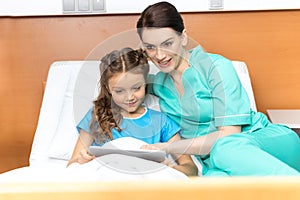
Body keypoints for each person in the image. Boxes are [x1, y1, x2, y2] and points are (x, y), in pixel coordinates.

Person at [136, 1, 300, 176]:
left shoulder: (216, 67)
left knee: (224, 148)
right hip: (214, 161)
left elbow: (228, 135)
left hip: (265, 141)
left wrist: (168, 147)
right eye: (151, 47)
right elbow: (121, 81)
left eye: (167, 43)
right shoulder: (158, 84)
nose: (159, 55)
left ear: (183, 37)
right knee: (214, 182)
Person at [67, 47, 198, 177]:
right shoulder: (97, 116)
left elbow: (191, 169)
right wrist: (82, 161)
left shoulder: (161, 122)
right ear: (108, 89)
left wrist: (169, 168)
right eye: (119, 91)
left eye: (136, 88)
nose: (129, 97)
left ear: (145, 83)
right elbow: (72, 166)